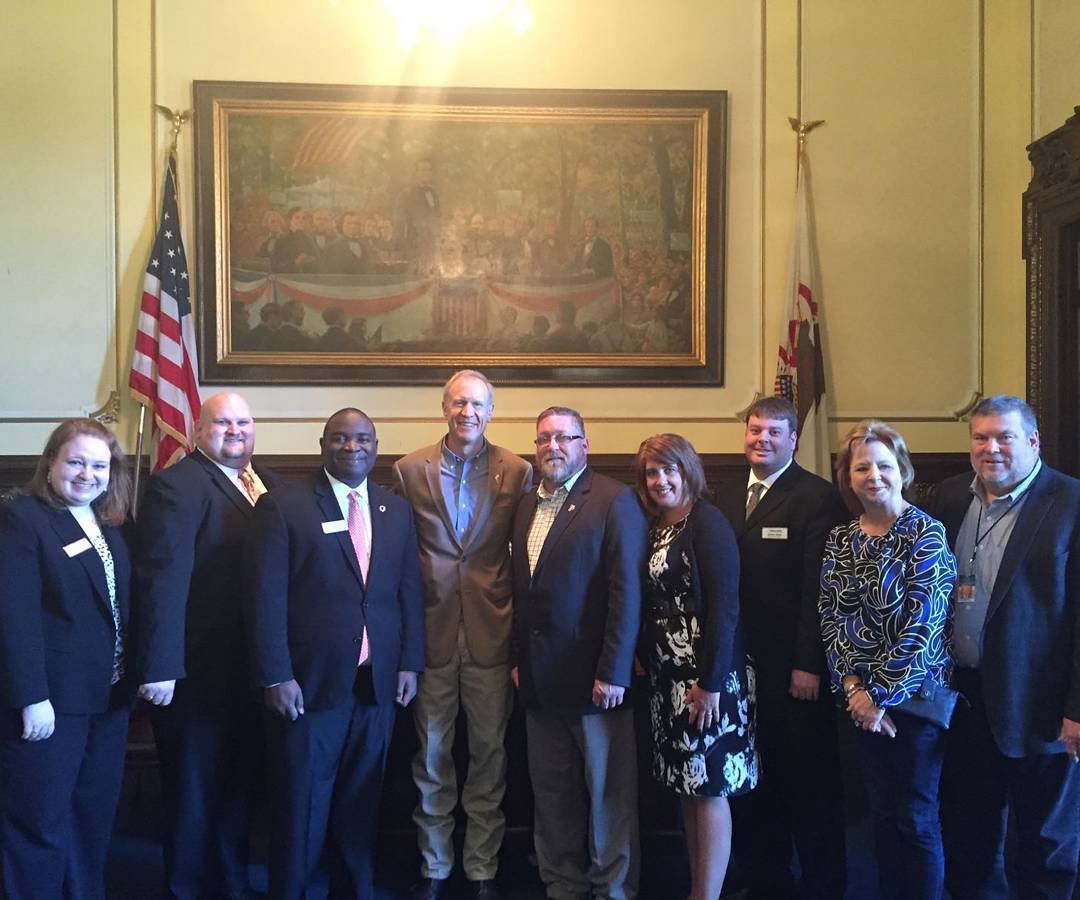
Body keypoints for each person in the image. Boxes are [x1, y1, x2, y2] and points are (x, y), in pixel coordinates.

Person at [246, 408, 424, 899]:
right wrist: (275, 675)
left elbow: (407, 590)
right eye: (341, 439)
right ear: (323, 443)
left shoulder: (395, 509)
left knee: (361, 807)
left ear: (376, 444)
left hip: (376, 685)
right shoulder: (285, 506)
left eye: (363, 439)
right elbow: (265, 598)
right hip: (307, 686)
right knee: (302, 808)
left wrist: (409, 661)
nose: (353, 447)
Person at [392, 371, 533, 900]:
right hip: (429, 632)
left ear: (491, 410)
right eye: (457, 402)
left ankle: (481, 869)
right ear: (444, 408)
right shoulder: (410, 469)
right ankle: (434, 865)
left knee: (490, 753)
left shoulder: (517, 470)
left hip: (492, 631)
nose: (466, 411)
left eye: (476, 403)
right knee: (430, 753)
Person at [933, 395, 1080, 898]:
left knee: (1044, 841)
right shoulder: (950, 498)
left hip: (1040, 702)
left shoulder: (1071, 503)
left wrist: (1077, 708)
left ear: (1033, 441)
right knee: (967, 833)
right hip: (963, 700)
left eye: (1004, 437)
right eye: (980, 438)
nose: (990, 448)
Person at [134, 391, 279, 900]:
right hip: (192, 677)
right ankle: (186, 889)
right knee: (193, 795)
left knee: (237, 789)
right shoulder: (178, 486)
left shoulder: (268, 486)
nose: (234, 431)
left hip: (247, 674)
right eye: (221, 423)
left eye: (243, 422)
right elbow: (162, 580)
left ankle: (231, 884)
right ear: (197, 430)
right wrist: (158, 667)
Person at [511, 406, 647, 900]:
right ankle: (562, 886)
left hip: (597, 684)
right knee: (553, 798)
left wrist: (613, 671)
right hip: (539, 682)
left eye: (565, 438)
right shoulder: (525, 504)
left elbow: (625, 592)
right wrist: (515, 660)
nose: (553, 446)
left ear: (584, 445)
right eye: (545, 437)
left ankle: (613, 889)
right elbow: (521, 592)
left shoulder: (614, 500)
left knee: (607, 798)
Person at [716, 397, 849, 899]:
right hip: (741, 673)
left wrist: (808, 665)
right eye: (754, 430)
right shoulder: (726, 495)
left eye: (774, 432)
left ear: (793, 439)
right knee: (755, 783)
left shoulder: (817, 497)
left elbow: (820, 590)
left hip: (795, 675)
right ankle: (767, 883)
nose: (761, 439)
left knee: (809, 789)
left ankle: (824, 887)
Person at [819, 420, 956, 900]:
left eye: (884, 465)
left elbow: (924, 628)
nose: (873, 475)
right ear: (848, 478)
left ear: (902, 469)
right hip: (859, 704)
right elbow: (832, 620)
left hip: (915, 703)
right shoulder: (839, 540)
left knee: (916, 818)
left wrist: (876, 698)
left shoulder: (926, 534)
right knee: (879, 814)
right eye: (862, 467)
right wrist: (855, 693)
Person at [0, 419, 133, 900]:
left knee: (90, 819)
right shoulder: (22, 519)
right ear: (51, 463)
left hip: (106, 699)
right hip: (50, 704)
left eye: (99, 465)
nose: (87, 474)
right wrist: (32, 697)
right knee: (38, 823)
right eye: (76, 461)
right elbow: (14, 617)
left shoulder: (109, 523)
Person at [633, 434, 758, 900]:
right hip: (668, 679)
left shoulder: (708, 523)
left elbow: (726, 608)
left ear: (688, 470)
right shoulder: (655, 527)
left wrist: (710, 684)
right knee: (688, 785)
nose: (661, 480)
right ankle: (698, 887)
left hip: (708, 678)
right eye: (651, 472)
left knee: (709, 787)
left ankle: (706, 895)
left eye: (670, 469)